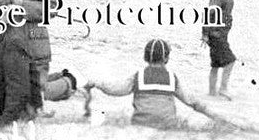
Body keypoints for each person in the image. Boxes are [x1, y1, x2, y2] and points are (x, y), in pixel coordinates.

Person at [84, 39, 231, 129]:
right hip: (167, 125)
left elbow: (115, 90)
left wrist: (97, 83)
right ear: (166, 58)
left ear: (145, 57)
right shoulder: (172, 78)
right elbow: (192, 101)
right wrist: (216, 117)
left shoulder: (138, 76)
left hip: (141, 124)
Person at [204, 0, 241, 98]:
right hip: (217, 35)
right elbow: (209, 13)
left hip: (218, 35)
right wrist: (205, 33)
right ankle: (223, 88)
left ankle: (212, 91)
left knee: (216, 64)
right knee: (230, 61)